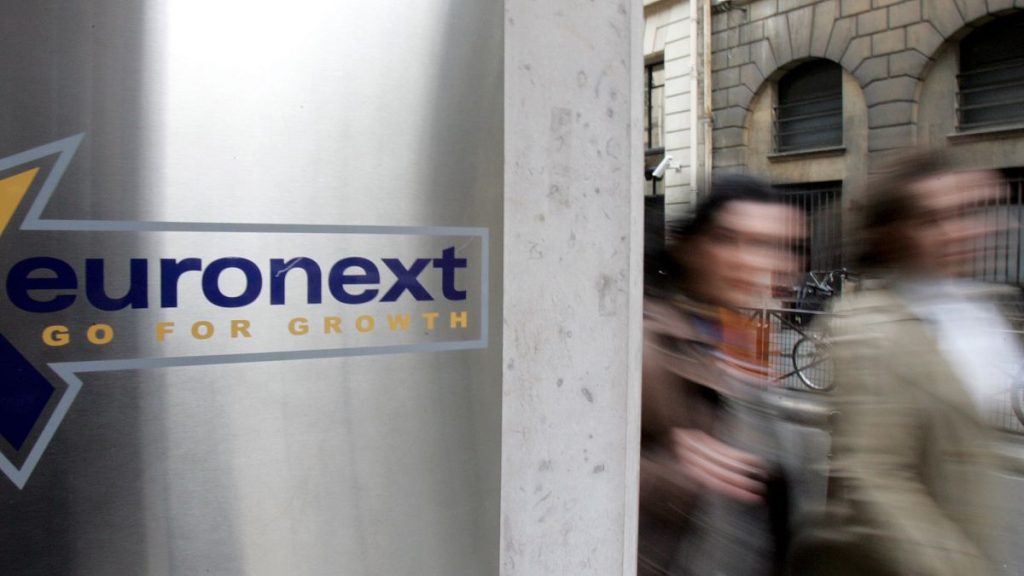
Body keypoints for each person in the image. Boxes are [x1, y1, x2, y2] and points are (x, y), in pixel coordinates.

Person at [789, 150, 1021, 575]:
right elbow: (874, 475)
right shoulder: (870, 328)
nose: (956, 232)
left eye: (968, 213)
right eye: (932, 220)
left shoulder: (980, 311)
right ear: (893, 235)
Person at [639, 175, 804, 576]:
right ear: (691, 248)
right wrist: (667, 472)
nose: (752, 261)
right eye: (729, 240)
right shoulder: (645, 341)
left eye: (775, 246)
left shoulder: (744, 334)